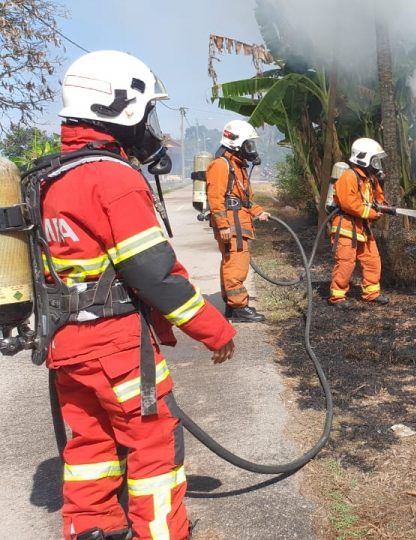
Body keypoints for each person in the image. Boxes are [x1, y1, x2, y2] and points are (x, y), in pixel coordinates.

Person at [46, 50, 237, 539]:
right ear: (120, 106)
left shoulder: (53, 177)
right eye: (147, 111)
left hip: (68, 345)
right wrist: (214, 330)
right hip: (116, 347)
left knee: (91, 444)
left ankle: (93, 528)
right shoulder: (111, 178)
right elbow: (155, 275)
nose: (150, 125)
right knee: (153, 444)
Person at [205, 120, 269, 323]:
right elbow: (215, 198)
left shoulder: (236, 166)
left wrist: (259, 212)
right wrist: (223, 225)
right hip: (232, 226)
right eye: (248, 144)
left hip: (239, 224)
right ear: (236, 143)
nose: (251, 149)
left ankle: (232, 305)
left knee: (232, 263)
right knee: (236, 266)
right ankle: (239, 307)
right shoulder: (221, 165)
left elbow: (244, 199)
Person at [328, 138, 392, 306]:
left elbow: (378, 198)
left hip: (363, 228)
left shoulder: (370, 179)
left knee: (373, 260)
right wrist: (371, 213)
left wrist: (384, 207)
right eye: (374, 160)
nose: (377, 164)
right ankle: (337, 297)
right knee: (345, 263)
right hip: (346, 228)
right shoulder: (349, 176)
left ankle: (371, 293)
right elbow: (349, 203)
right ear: (364, 158)